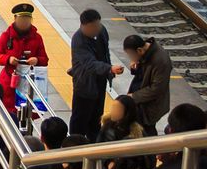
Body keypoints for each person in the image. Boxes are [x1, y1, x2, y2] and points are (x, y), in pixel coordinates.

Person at [100, 35, 170, 138]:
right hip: (139, 101)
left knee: (146, 130)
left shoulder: (161, 61)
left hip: (150, 106)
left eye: (131, 55)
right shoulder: (146, 51)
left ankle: (149, 150)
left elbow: (157, 89)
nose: (130, 58)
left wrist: (134, 96)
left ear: (140, 51)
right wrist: (136, 65)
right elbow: (142, 74)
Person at [0, 4, 49, 116]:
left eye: (27, 20)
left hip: (28, 82)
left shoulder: (37, 38)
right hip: (9, 82)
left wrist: (36, 60)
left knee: (26, 114)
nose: (24, 22)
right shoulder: (6, 36)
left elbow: (45, 59)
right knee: (6, 112)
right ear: (15, 19)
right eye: (21, 19)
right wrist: (8, 59)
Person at [66, 9, 115, 138]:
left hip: (100, 82)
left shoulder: (102, 31)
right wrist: (109, 68)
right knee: (80, 120)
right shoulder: (78, 40)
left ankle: (94, 144)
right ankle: (75, 145)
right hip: (84, 84)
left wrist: (108, 71)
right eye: (93, 27)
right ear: (83, 26)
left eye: (98, 25)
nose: (97, 29)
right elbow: (89, 63)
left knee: (96, 117)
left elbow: (105, 53)